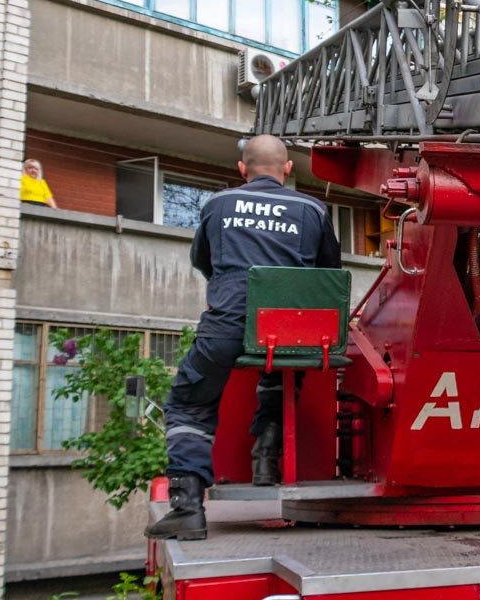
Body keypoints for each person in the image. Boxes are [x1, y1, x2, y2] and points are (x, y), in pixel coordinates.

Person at [145, 134, 341, 541]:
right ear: (288, 168)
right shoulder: (313, 209)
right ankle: (266, 457)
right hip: (291, 329)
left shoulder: (217, 204)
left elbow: (203, 260)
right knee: (283, 369)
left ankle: (186, 507)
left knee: (188, 402)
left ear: (242, 170)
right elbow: (327, 273)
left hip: (226, 326)